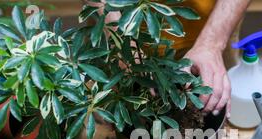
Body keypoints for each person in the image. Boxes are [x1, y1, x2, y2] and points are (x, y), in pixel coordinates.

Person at [87, 0, 251, 118]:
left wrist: (212, 44)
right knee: (128, 109)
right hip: (125, 22)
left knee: (211, 94)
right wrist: (122, 43)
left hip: (216, 20)